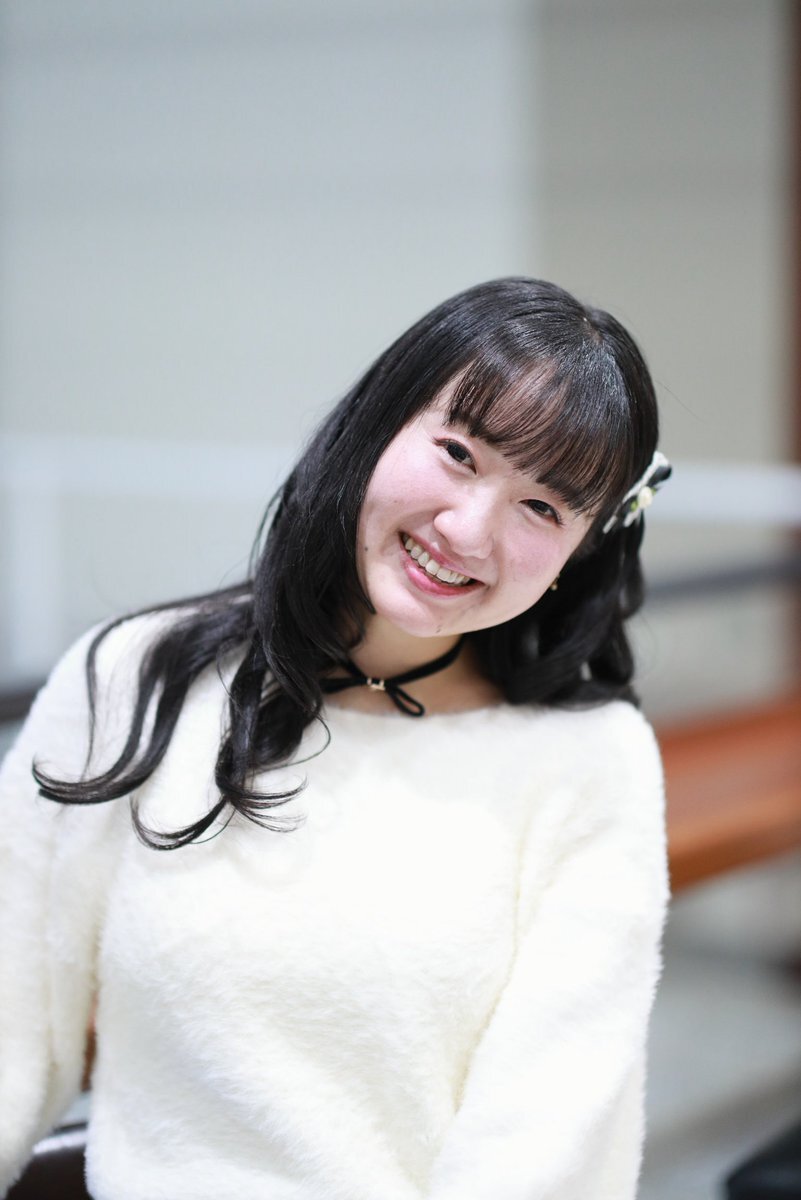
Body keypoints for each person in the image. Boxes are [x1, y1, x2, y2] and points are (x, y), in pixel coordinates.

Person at [0, 277, 672, 1200]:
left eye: (542, 508)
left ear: (578, 553)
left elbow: (545, 1142)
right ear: (376, 424)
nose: (467, 530)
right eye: (457, 454)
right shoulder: (133, 678)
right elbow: (11, 1023)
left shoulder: (589, 763)